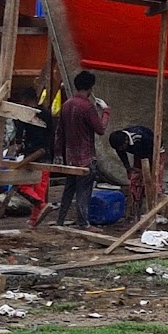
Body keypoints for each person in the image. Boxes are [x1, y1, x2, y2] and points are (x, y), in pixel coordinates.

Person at [54, 71, 109, 227]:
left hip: (70, 157)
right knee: (83, 192)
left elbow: (59, 132)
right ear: (90, 88)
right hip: (85, 158)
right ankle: (83, 223)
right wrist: (105, 111)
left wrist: (58, 153)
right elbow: (101, 129)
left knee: (68, 190)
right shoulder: (87, 107)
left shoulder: (67, 105)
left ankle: (60, 220)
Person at [13, 86, 55, 227]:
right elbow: (51, 134)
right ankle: (34, 219)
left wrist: (17, 150)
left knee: (21, 186)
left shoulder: (24, 114)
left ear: (24, 100)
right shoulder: (47, 113)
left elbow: (19, 139)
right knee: (40, 189)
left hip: (31, 155)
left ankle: (41, 206)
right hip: (46, 154)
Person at [110, 125, 160, 215]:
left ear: (126, 140)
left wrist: (148, 172)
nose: (121, 150)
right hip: (139, 153)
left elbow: (150, 154)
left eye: (122, 147)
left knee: (153, 182)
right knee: (135, 181)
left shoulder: (141, 137)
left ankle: (152, 210)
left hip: (154, 151)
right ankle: (135, 207)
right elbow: (122, 155)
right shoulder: (119, 143)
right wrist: (128, 168)